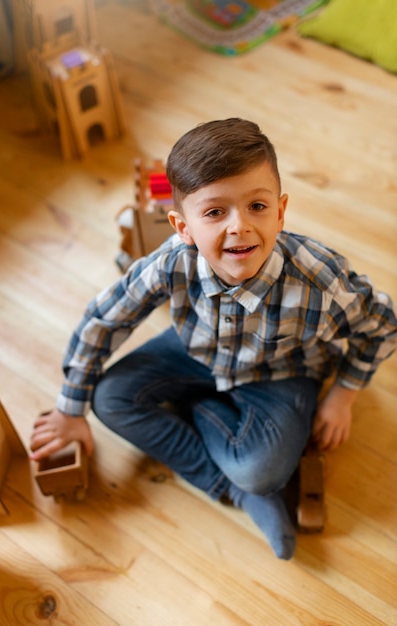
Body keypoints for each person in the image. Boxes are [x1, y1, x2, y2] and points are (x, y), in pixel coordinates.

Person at [30, 118, 397, 559]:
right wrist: (71, 409)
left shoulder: (320, 278)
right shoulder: (172, 261)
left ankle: (219, 440)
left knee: (261, 470)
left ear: (280, 211)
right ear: (182, 227)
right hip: (197, 352)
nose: (239, 226)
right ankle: (235, 490)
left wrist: (344, 393)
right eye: (214, 212)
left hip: (282, 372)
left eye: (256, 207)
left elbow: (384, 325)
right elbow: (104, 320)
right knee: (107, 398)